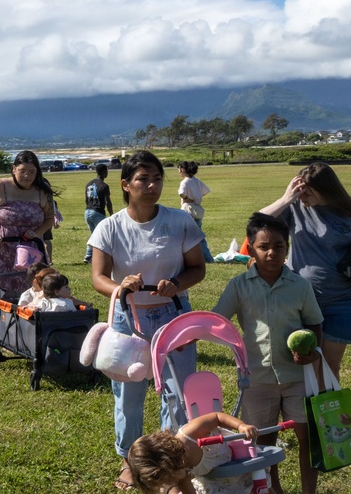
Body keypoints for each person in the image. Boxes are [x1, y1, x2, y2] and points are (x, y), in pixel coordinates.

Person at [89, 150, 206, 492]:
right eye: (142, 179)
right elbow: (98, 277)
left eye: (156, 178)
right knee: (128, 394)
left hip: (174, 318)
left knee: (178, 393)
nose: (151, 185)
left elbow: (197, 268)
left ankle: (171, 464)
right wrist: (120, 287)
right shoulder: (110, 227)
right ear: (125, 185)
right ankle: (130, 461)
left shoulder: (180, 222)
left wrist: (177, 285)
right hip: (129, 319)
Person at [211, 212, 323, 494]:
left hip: (297, 376)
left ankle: (310, 490)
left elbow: (314, 323)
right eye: (264, 247)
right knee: (262, 443)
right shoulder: (239, 286)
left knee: (307, 437)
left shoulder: (300, 286)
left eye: (279, 246)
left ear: (287, 248)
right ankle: (274, 489)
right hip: (257, 378)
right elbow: (217, 321)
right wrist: (190, 333)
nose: (272, 252)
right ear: (250, 248)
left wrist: (311, 351)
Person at [260, 161, 351, 381]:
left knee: (329, 369)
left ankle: (326, 414)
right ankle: (303, 413)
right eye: (299, 191)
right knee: (299, 366)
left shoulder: (350, 211)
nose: (302, 197)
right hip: (301, 300)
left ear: (326, 190)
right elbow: (258, 222)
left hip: (342, 301)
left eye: (307, 192)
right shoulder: (294, 206)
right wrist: (285, 199)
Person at [0, 150, 56, 297]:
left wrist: (37, 233)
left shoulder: (40, 191)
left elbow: (49, 218)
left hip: (31, 250)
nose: (27, 176)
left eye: (32, 172)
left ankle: (30, 319)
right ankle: (5, 318)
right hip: (2, 249)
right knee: (5, 292)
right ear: (13, 169)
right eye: (22, 171)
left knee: (34, 290)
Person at [127, 412, 259, 494]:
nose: (173, 481)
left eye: (169, 478)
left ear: (167, 462)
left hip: (237, 457)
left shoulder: (189, 434)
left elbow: (217, 417)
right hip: (216, 481)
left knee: (260, 485)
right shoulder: (180, 472)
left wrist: (241, 425)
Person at [178, 161, 214, 263]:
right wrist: (196, 197)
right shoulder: (197, 180)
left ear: (182, 169)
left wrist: (187, 198)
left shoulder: (185, 182)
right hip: (198, 210)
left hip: (188, 209)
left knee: (185, 236)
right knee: (198, 235)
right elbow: (205, 191)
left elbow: (181, 193)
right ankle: (207, 257)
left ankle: (189, 258)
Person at [83, 164, 114, 263]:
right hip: (97, 212)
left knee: (94, 234)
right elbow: (108, 201)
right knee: (102, 235)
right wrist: (111, 214)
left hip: (87, 211)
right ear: (104, 172)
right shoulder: (104, 186)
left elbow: (86, 200)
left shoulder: (88, 184)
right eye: (107, 171)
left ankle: (89, 255)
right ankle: (91, 256)